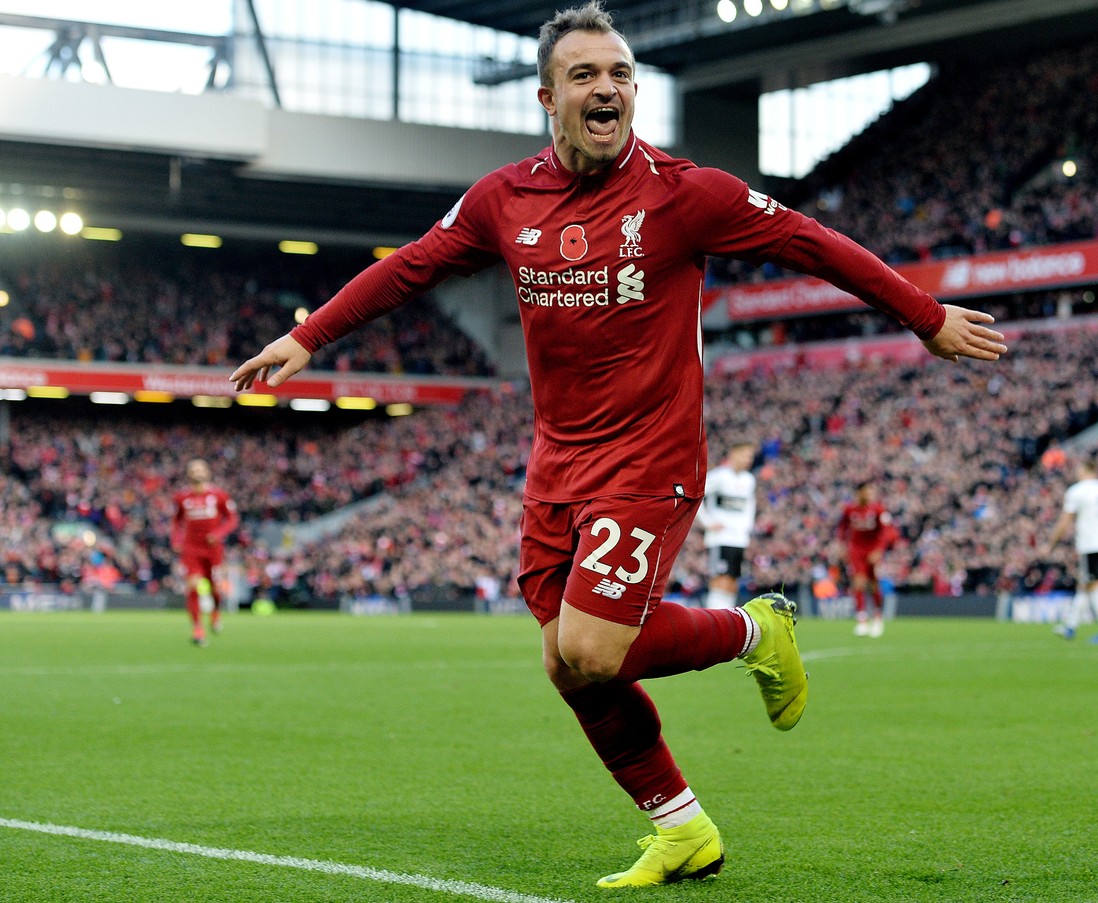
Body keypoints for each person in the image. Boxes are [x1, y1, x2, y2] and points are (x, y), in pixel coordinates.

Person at [229, 3, 1006, 888]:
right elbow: (411, 264)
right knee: (566, 664)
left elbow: (811, 243)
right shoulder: (501, 199)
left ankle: (756, 630)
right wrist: (310, 337)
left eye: (621, 74)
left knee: (594, 649)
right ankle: (683, 829)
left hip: (652, 453)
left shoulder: (687, 194)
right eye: (586, 76)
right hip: (557, 459)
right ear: (547, 98)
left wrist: (928, 315)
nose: (608, 89)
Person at [1046, 458, 1098, 644]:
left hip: (1090, 543)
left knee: (1095, 584)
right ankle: (1070, 626)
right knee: (1086, 584)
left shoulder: (1077, 491)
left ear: (1086, 469)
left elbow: (1065, 521)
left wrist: (1051, 543)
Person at [170, 458, 239, 647]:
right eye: (193, 469)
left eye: (200, 469)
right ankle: (197, 629)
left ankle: (215, 612)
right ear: (188, 474)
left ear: (207, 472)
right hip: (191, 549)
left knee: (215, 588)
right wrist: (176, 540)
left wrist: (218, 533)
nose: (197, 472)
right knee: (192, 587)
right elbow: (176, 521)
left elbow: (232, 519)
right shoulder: (182, 497)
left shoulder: (219, 495)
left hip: (213, 550)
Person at [698, 442, 757, 610]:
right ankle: (713, 620)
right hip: (720, 538)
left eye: (750, 456)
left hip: (739, 539)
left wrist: (747, 529)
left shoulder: (749, 480)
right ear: (733, 454)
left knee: (732, 580)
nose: (748, 460)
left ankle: (726, 618)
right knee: (720, 579)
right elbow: (697, 496)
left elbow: (750, 506)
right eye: (745, 455)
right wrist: (708, 523)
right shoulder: (719, 476)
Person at [837, 481, 898, 637]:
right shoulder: (850, 510)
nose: (870, 494)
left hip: (873, 550)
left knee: (874, 584)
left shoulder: (878, 509)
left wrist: (879, 550)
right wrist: (842, 546)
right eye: (867, 491)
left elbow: (887, 532)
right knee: (858, 583)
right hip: (857, 551)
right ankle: (862, 619)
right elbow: (842, 529)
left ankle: (877, 617)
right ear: (860, 493)